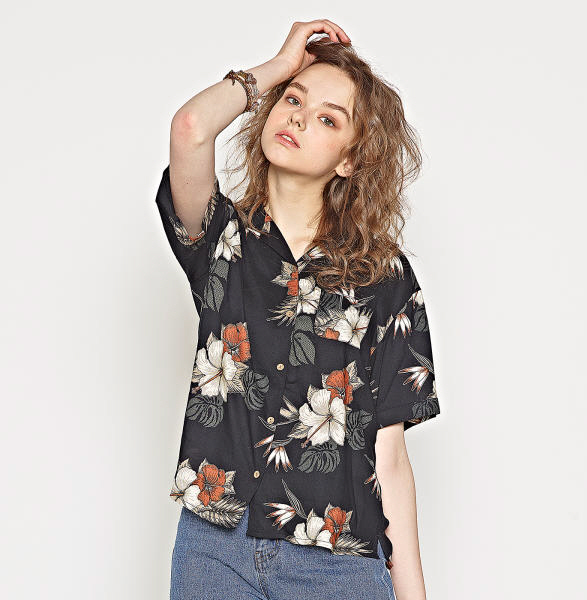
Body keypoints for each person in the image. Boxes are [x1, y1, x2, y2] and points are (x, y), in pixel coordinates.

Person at [155, 19, 441, 600]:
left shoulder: (384, 280)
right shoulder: (222, 241)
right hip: (216, 550)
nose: (299, 119)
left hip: (338, 562)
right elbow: (190, 128)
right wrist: (281, 67)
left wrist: (411, 589)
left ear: (350, 160)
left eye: (328, 119)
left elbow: (389, 454)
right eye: (293, 101)